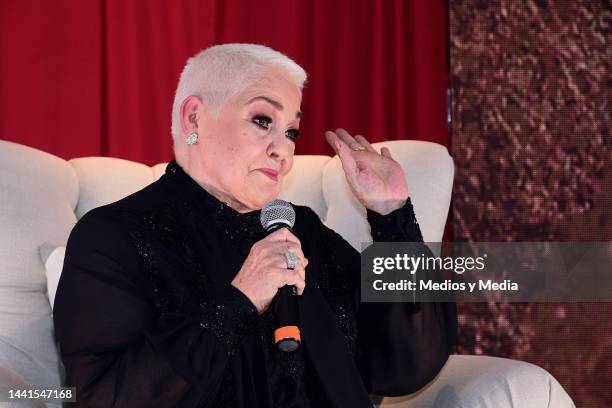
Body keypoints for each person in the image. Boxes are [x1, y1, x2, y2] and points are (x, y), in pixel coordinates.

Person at [53, 43, 457, 407]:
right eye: (263, 120)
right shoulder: (113, 236)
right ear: (194, 118)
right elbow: (103, 396)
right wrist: (239, 301)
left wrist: (391, 217)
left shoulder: (302, 230)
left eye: (291, 131)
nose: (282, 150)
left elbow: (405, 363)